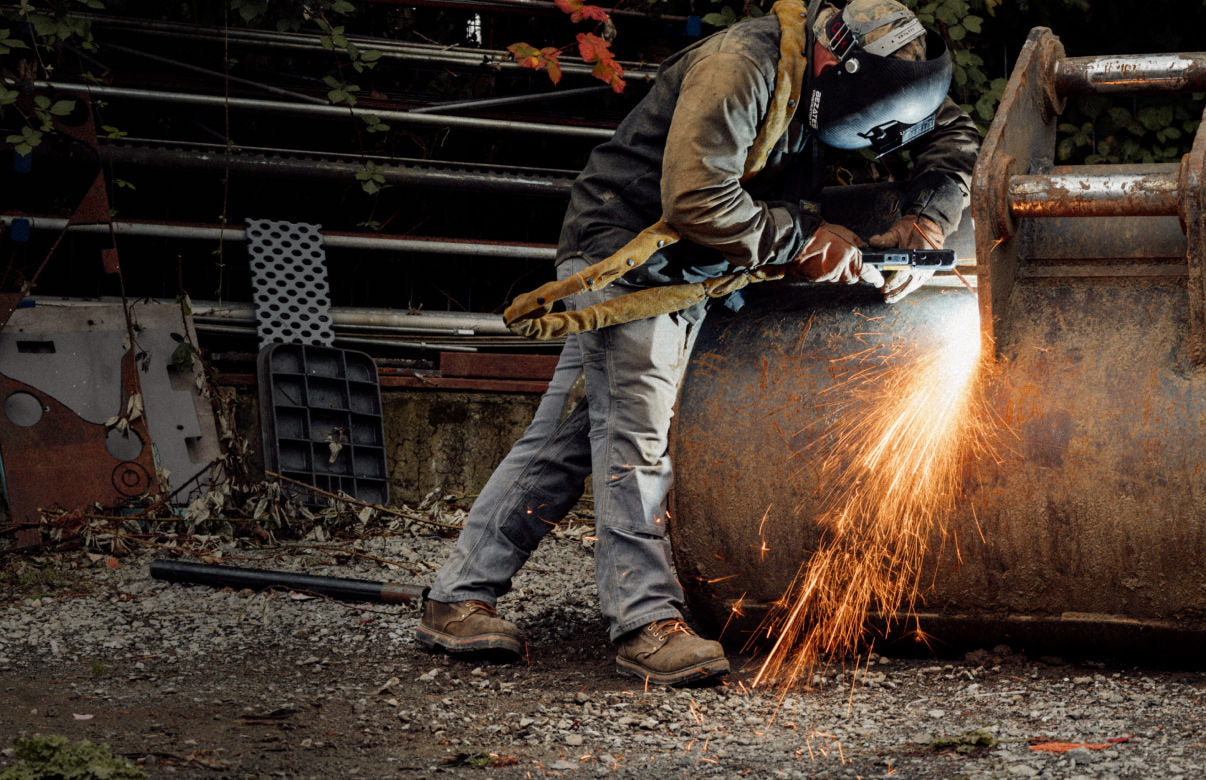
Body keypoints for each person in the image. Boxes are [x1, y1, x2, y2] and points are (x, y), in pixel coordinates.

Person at [416, 0, 979, 687]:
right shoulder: (739, 67)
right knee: (635, 434)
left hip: (705, 265)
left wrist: (926, 222)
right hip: (630, 253)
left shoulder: (879, 68)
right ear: (839, 65)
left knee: (568, 435)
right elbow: (697, 200)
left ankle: (457, 597)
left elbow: (951, 130)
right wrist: (804, 241)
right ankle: (645, 623)